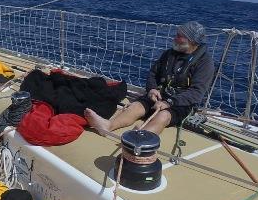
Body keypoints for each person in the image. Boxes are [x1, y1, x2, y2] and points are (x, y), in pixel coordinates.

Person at [85, 21, 214, 135]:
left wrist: (169, 102)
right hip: (160, 95)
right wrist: (152, 89)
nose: (174, 38)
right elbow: (153, 73)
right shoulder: (168, 54)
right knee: (136, 106)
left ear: (191, 41)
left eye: (179, 36)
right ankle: (107, 126)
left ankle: (140, 138)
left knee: (163, 116)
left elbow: (196, 93)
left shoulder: (205, 63)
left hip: (181, 103)